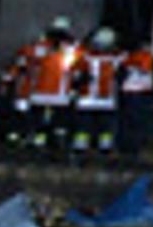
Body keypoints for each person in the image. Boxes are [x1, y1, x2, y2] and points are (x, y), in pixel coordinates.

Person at [7, 15, 81, 151]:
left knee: (55, 122)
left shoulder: (72, 49)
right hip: (44, 92)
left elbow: (78, 68)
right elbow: (24, 64)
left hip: (58, 93)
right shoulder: (39, 48)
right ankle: (39, 143)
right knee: (40, 121)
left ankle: (53, 143)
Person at [74, 27, 130, 153]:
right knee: (105, 128)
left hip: (86, 100)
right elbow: (123, 76)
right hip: (107, 100)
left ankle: (81, 146)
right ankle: (104, 147)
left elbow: (77, 75)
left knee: (84, 127)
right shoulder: (118, 59)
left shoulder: (85, 57)